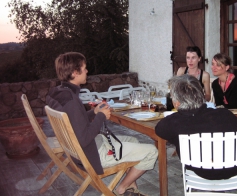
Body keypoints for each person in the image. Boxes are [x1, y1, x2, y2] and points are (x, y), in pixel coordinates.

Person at [46, 52, 158, 196]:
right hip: (93, 154)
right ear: (75, 73)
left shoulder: (60, 93)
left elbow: (73, 122)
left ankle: (130, 189)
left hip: (79, 152)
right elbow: (84, 138)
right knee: (152, 151)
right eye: (84, 68)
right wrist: (100, 116)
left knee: (133, 140)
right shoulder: (72, 101)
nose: (87, 71)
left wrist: (93, 112)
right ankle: (122, 188)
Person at [155, 75, 237, 196]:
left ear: (177, 103)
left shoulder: (173, 122)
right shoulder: (224, 114)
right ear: (202, 96)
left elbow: (159, 129)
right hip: (234, 170)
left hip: (200, 173)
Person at [211, 53, 237, 126]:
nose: (214, 67)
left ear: (227, 67)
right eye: (213, 64)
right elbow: (219, 104)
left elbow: (234, 106)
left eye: (218, 65)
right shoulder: (215, 84)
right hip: (226, 117)